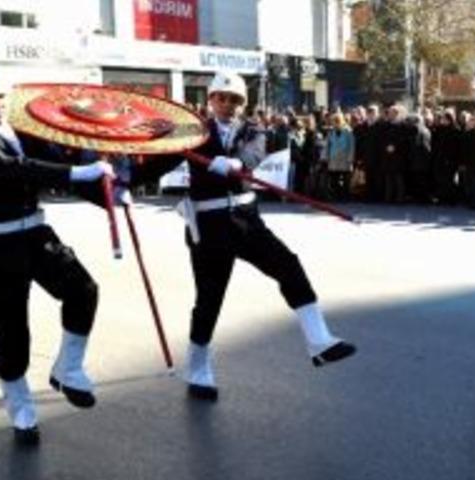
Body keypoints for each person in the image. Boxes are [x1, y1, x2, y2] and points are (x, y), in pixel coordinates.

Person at [135, 71, 356, 401]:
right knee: (209, 299)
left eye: (235, 100)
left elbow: (254, 154)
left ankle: (319, 341)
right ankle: (198, 369)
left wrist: (235, 163)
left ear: (243, 104)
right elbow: (157, 165)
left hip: (246, 221)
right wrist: (124, 178)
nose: (228, 104)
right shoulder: (191, 132)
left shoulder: (253, 130)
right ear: (211, 100)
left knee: (288, 265)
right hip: (208, 225)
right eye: (222, 98)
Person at [0, 62, 114, 445]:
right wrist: (76, 175)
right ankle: (21, 408)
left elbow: (60, 162)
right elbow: (11, 169)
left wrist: (111, 194)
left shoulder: (22, 131)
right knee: (10, 330)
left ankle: (68, 369)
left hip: (36, 235)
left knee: (83, 290)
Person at [323, 112, 356, 201]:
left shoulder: (348, 131)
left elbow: (352, 146)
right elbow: (327, 145)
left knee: (346, 180)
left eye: (337, 121)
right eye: (334, 121)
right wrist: (326, 157)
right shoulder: (331, 132)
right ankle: (336, 195)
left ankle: (345, 196)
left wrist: (350, 158)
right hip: (333, 159)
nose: (335, 123)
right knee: (334, 179)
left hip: (345, 159)